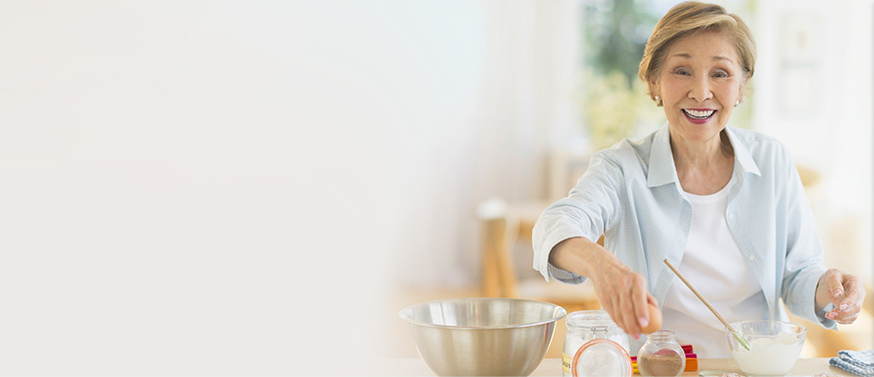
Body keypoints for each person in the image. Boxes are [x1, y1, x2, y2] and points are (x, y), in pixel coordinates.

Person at [532, 1, 865, 357]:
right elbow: (555, 225)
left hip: (756, 365)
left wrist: (828, 290)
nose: (701, 92)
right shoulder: (621, 167)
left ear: (741, 87)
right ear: (654, 81)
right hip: (654, 366)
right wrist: (601, 264)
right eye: (681, 71)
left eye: (720, 74)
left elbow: (798, 275)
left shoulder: (772, 160)